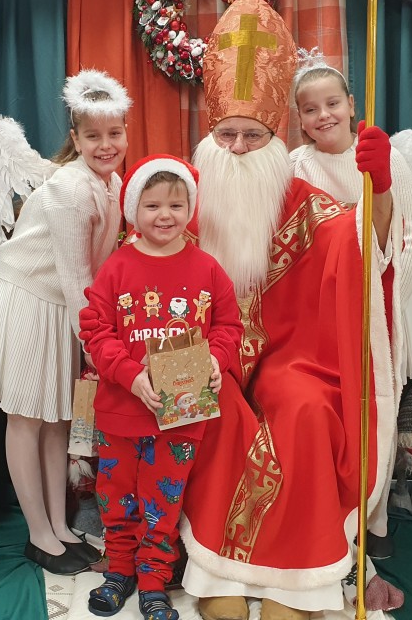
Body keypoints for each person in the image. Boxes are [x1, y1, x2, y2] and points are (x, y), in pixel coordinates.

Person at [178, 0, 408, 620]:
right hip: (210, 355)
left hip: (290, 359)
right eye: (227, 135)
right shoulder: (185, 198)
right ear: (209, 136)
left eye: (253, 135)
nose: (239, 147)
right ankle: (214, 571)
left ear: (276, 137)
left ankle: (299, 583)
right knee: (207, 401)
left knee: (305, 408)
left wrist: (381, 191)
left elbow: (361, 246)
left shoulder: (303, 202)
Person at [0, 69, 130, 576]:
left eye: (114, 133)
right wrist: (100, 347)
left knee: (57, 419)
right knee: (26, 418)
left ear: (125, 133)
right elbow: (78, 276)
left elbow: (98, 269)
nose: (106, 145)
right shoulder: (69, 191)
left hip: (59, 304)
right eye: (93, 136)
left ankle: (60, 525)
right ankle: (38, 534)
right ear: (76, 139)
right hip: (26, 299)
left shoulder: (113, 184)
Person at [288, 48, 412, 559]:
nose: (323, 115)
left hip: (382, 300)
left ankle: (377, 516)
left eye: (332, 103)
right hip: (322, 311)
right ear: (300, 119)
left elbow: (411, 235)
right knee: (336, 407)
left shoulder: (383, 156)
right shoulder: (297, 166)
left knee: (378, 404)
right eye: (311, 109)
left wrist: (385, 295)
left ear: (351, 104)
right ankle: (333, 509)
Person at [82, 154, 243, 620]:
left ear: (190, 207)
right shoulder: (117, 267)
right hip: (121, 413)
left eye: (176, 204)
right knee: (116, 496)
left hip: (181, 414)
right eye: (152, 206)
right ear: (134, 209)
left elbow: (229, 326)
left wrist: (216, 360)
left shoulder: (207, 268)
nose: (165, 215)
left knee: (163, 502)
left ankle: (154, 580)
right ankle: (119, 571)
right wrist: (131, 376)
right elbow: (95, 330)